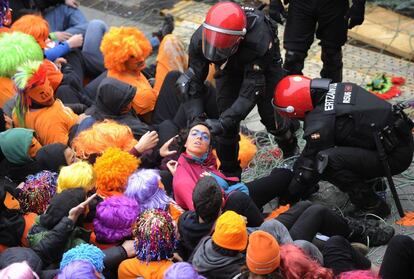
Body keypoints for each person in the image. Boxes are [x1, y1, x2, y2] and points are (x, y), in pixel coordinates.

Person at [178, 1, 297, 178]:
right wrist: (196, 118)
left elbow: (251, 91)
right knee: (225, 124)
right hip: (228, 66)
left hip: (263, 67)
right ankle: (230, 174)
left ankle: (291, 151)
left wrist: (225, 121)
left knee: (272, 118)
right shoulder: (200, 38)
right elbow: (193, 81)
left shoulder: (259, 39)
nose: (213, 51)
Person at [273, 75, 414, 218]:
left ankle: (373, 206)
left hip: (394, 157)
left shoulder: (320, 123)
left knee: (327, 161)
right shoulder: (339, 87)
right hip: (398, 140)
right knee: (344, 141)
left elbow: (309, 165)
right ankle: (374, 183)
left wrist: (288, 197)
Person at [172, 121, 293, 212]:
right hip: (233, 207)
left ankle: (282, 198)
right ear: (186, 142)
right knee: (285, 175)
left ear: (209, 147)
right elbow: (202, 215)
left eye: (205, 136)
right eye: (194, 134)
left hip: (237, 191)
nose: (199, 137)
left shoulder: (204, 160)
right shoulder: (183, 179)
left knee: (280, 172)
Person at [274, 0, 366, 82]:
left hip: (335, 5)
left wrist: (359, 4)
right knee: (293, 56)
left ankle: (332, 95)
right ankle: (289, 95)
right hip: (301, 4)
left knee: (332, 54)